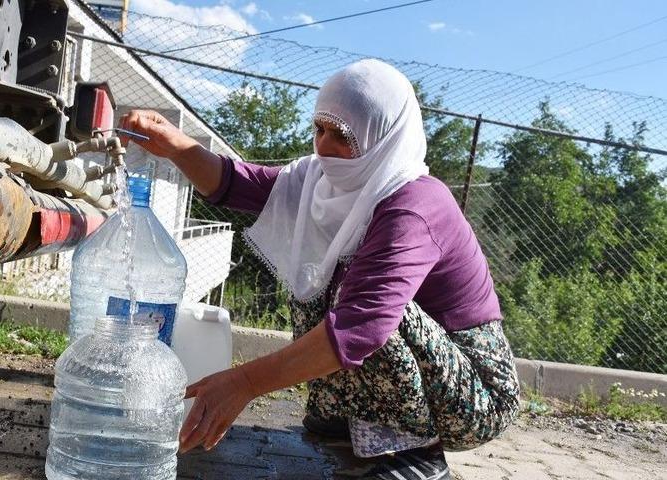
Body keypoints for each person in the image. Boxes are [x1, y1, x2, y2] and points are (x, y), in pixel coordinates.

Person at [119, 59, 519, 480]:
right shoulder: (320, 183)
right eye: (319, 129)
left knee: (371, 308)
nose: (323, 146)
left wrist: (243, 383)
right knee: (317, 274)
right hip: (422, 368)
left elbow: (362, 329)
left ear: (382, 137)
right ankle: (349, 424)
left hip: (475, 390)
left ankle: (416, 455)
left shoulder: (414, 205)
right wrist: (175, 145)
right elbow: (239, 183)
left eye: (342, 135)